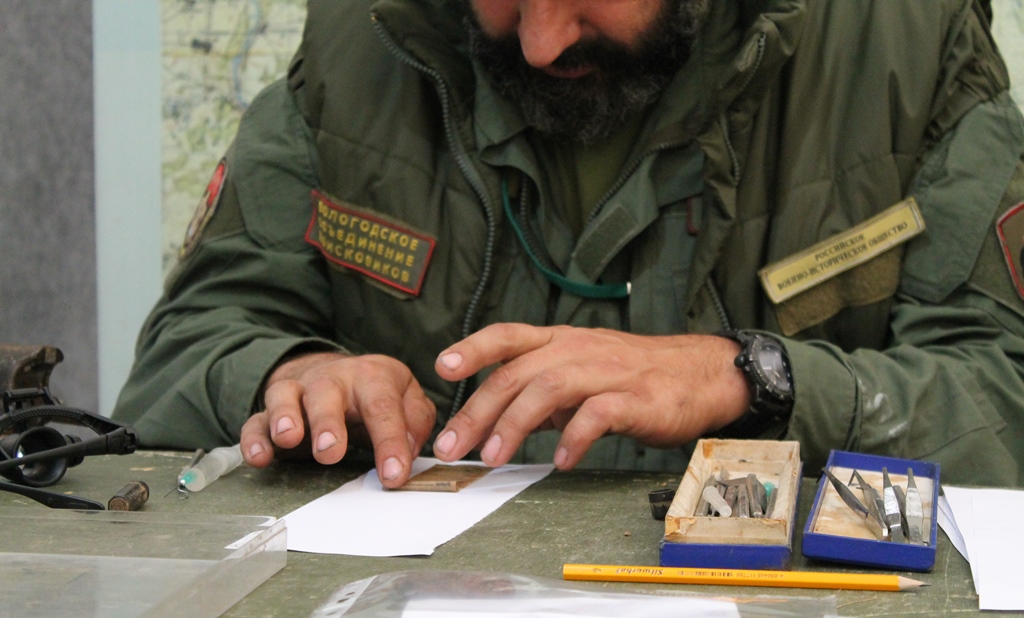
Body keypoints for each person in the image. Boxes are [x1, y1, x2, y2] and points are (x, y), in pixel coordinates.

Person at [113, 0, 1024, 489]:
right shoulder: (366, 36)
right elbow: (184, 354)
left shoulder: (909, 44)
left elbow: (1000, 393)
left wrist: (757, 378)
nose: (541, 41)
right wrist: (288, 374)